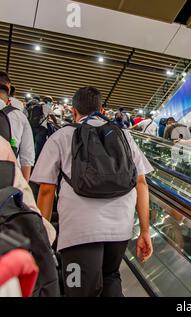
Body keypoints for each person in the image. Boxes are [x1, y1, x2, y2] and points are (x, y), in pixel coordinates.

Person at [31, 87, 153, 297]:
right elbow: (141, 183)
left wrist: (43, 237)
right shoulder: (124, 135)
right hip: (120, 227)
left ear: (73, 110)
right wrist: (144, 231)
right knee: (111, 277)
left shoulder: (61, 136)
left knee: (79, 292)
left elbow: (46, 190)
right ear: (102, 109)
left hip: (79, 232)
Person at [0, 82, 35, 182]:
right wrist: (24, 187)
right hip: (8, 179)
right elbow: (27, 157)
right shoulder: (19, 116)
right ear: (8, 101)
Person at [28, 96, 57, 160]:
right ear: (48, 102)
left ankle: (30, 158)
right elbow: (54, 118)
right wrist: (55, 123)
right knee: (39, 146)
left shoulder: (34, 105)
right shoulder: (46, 106)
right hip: (41, 129)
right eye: (51, 102)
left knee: (32, 144)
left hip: (32, 127)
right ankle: (36, 161)